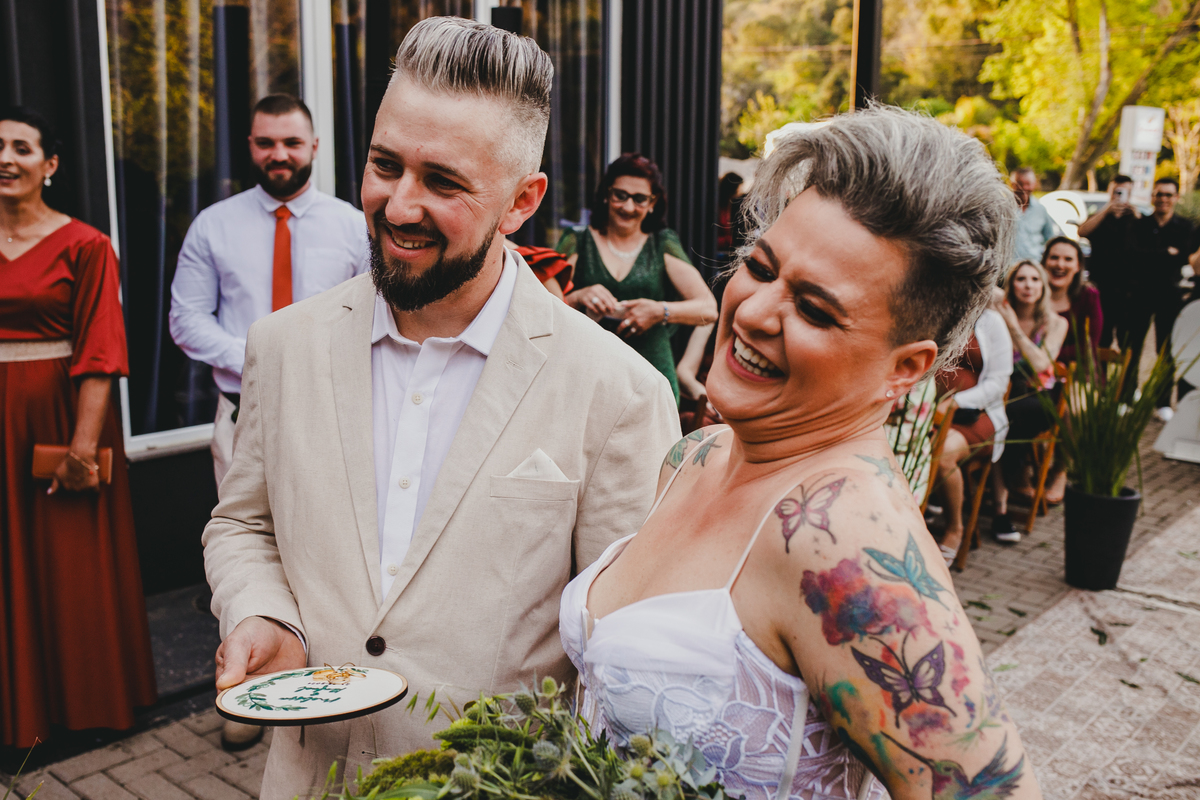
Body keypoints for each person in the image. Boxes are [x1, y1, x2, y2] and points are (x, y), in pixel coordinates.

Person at [202, 18, 680, 799]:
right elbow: (244, 524)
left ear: (521, 201)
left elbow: (626, 654)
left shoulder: (619, 393)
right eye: (385, 165)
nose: (398, 205)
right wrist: (264, 614)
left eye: (443, 182)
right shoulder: (281, 346)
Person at [561, 107, 1041, 800]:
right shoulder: (695, 455)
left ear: (905, 367)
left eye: (815, 310)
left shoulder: (848, 541)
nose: (753, 312)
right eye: (760, 267)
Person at [0, 107, 156, 747]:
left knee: (68, 563)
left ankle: (81, 707)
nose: (5, 158)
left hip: (60, 417)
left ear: (50, 164)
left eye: (21, 147)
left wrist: (83, 448)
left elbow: (100, 350)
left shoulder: (86, 245)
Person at [169, 94, 369, 489]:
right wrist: (255, 360)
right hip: (243, 412)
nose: (278, 155)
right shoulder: (212, 225)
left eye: (292, 143)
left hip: (329, 412)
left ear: (314, 146)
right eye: (266, 143)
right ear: (251, 146)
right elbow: (186, 319)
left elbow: (374, 315)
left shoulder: (354, 227)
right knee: (241, 523)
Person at [558, 154, 718, 404]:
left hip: (651, 375)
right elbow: (542, 303)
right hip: (587, 371)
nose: (628, 207)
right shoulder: (577, 240)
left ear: (652, 203)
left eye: (639, 199)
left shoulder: (662, 243)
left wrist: (659, 311)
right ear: (606, 195)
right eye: (620, 195)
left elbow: (708, 309)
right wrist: (578, 297)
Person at [992, 260, 1068, 542]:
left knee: (1004, 422)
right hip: (1002, 391)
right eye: (1021, 279)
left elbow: (1040, 364)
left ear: (1043, 286)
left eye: (1035, 279)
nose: (1028, 285)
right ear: (1010, 285)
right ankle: (999, 508)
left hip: (1038, 396)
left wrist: (1013, 327)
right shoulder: (996, 313)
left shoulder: (1056, 323)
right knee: (996, 419)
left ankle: (1001, 501)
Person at [934, 307, 1013, 558]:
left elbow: (998, 384)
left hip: (977, 415)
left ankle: (954, 528)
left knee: (942, 454)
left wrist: (955, 402)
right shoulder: (934, 309)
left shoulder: (991, 322)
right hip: (928, 411)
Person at [1127, 178, 1195, 421]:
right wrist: (1166, 253)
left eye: (1168, 194)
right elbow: (1133, 255)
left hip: (1170, 295)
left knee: (1166, 350)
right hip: (1140, 293)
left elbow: (1185, 257)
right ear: (1152, 197)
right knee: (1132, 346)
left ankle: (1163, 401)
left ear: (1176, 198)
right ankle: (1126, 396)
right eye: (1159, 194)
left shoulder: (1185, 227)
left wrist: (1155, 256)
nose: (1163, 199)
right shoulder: (1139, 225)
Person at [1077, 175, 1138, 347]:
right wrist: (1106, 209)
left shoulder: (1135, 219)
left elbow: (1146, 239)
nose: (1119, 196)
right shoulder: (1099, 217)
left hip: (1128, 287)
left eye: (1124, 192)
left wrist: (1136, 214)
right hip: (1102, 284)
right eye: (1116, 191)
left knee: (1128, 338)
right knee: (1101, 336)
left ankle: (1125, 365)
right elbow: (1082, 231)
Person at [1044, 236, 1102, 367]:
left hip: (1078, 371)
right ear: (1044, 262)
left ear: (1078, 266)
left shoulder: (1088, 296)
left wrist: (1044, 355)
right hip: (1029, 369)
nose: (1060, 264)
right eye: (1054, 257)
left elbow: (1088, 345)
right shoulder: (1030, 293)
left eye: (1068, 259)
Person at [1011, 166, 1060, 261]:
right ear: (1012, 185)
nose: (1024, 188)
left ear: (1034, 184)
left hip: (1034, 265)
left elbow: (1050, 239)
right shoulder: (1002, 209)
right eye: (1020, 184)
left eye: (1028, 184)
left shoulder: (1040, 210)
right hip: (1009, 267)